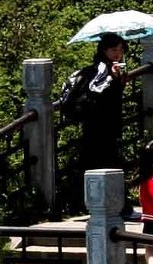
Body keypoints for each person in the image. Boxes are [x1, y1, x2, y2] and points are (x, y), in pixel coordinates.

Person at [56, 34, 136, 210]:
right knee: (108, 165)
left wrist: (119, 81)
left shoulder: (106, 69)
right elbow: (101, 96)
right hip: (101, 127)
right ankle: (117, 205)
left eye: (121, 50)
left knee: (92, 164)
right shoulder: (102, 70)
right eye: (114, 49)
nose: (118, 53)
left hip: (97, 126)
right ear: (104, 50)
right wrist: (116, 81)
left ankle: (83, 202)